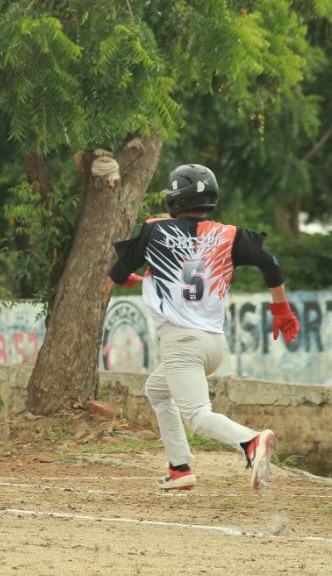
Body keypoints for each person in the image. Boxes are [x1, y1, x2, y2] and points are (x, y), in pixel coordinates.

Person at [108, 164, 299, 492]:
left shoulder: (155, 231)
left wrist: (133, 277)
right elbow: (271, 264)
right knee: (156, 390)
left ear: (174, 198)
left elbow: (117, 274)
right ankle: (179, 468)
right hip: (213, 343)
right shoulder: (230, 234)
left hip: (181, 341)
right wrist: (280, 307)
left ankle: (251, 441)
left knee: (197, 415)